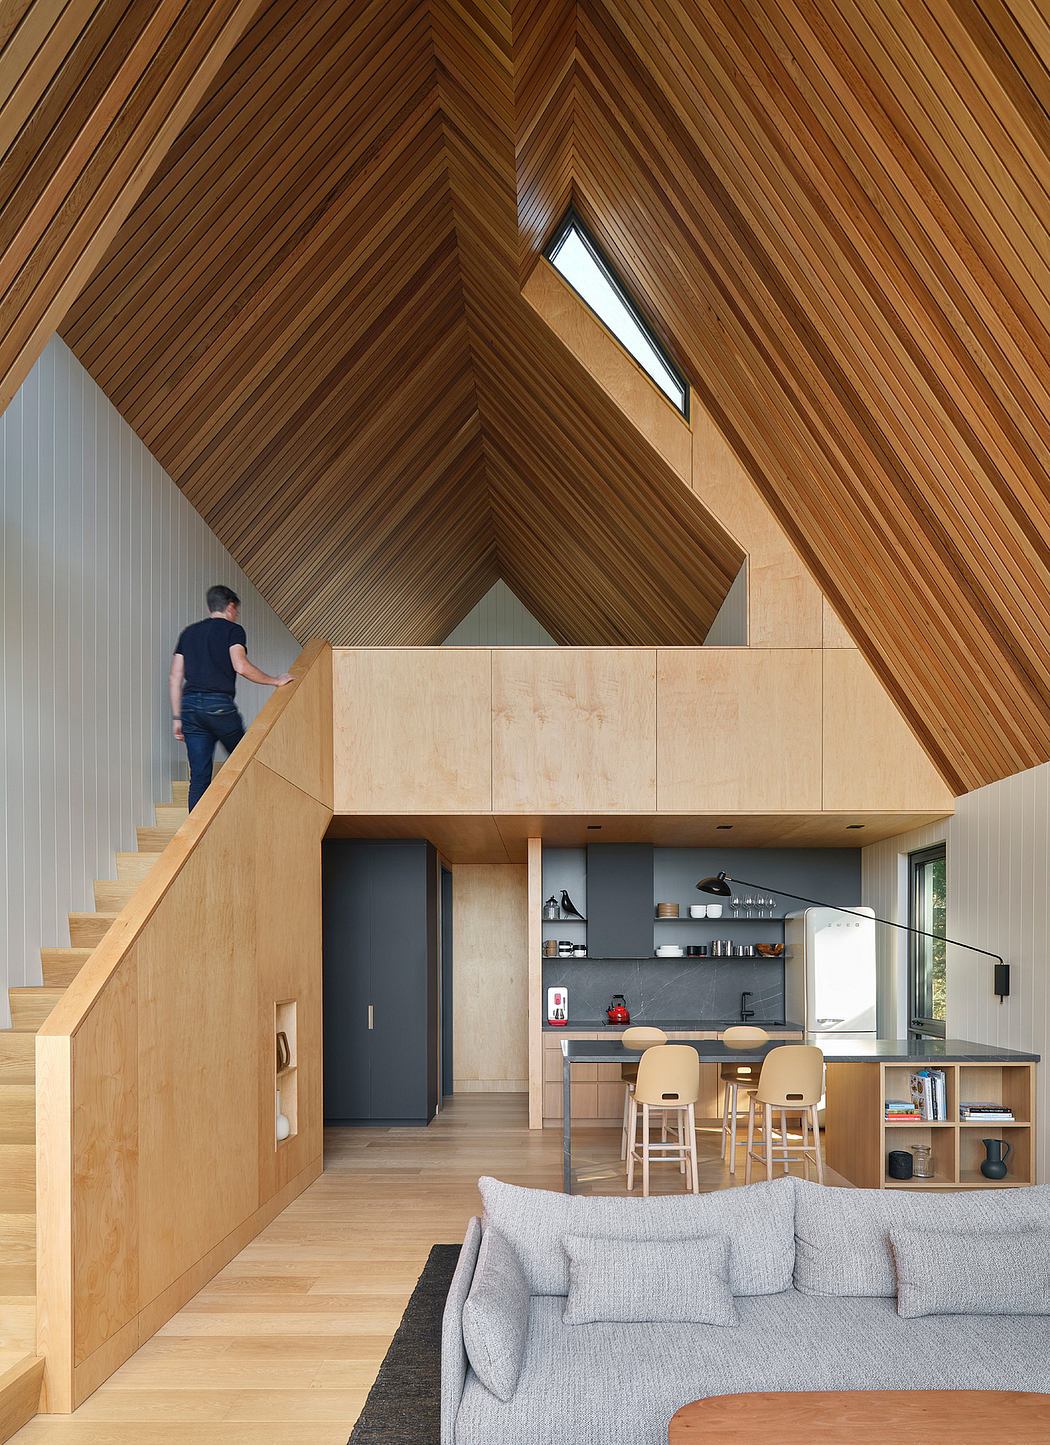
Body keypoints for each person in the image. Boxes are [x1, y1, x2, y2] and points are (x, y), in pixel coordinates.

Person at [170, 585, 293, 810]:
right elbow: (241, 666)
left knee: (198, 777)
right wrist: (274, 680)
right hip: (217, 705)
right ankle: (254, 813)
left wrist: (177, 718)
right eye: (236, 611)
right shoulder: (233, 630)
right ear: (230, 607)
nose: (236, 615)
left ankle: (197, 833)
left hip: (189, 708)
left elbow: (175, 676)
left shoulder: (189, 632)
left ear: (209, 607)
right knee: (245, 760)